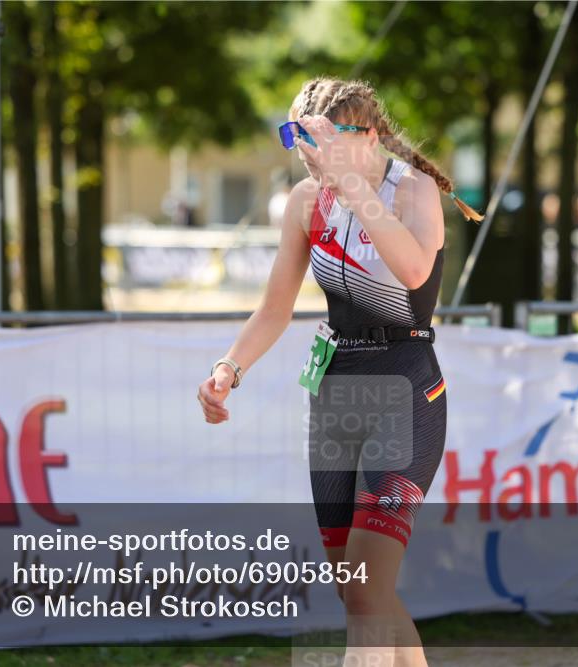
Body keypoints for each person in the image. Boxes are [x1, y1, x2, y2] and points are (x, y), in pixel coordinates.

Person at [196, 77, 481, 667]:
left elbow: (410, 269)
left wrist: (353, 186)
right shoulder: (307, 201)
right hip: (335, 393)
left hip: (405, 387)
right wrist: (229, 367)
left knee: (371, 586)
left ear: (367, 136)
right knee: (356, 590)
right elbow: (275, 307)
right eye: (299, 146)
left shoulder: (414, 192)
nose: (309, 160)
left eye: (319, 144)